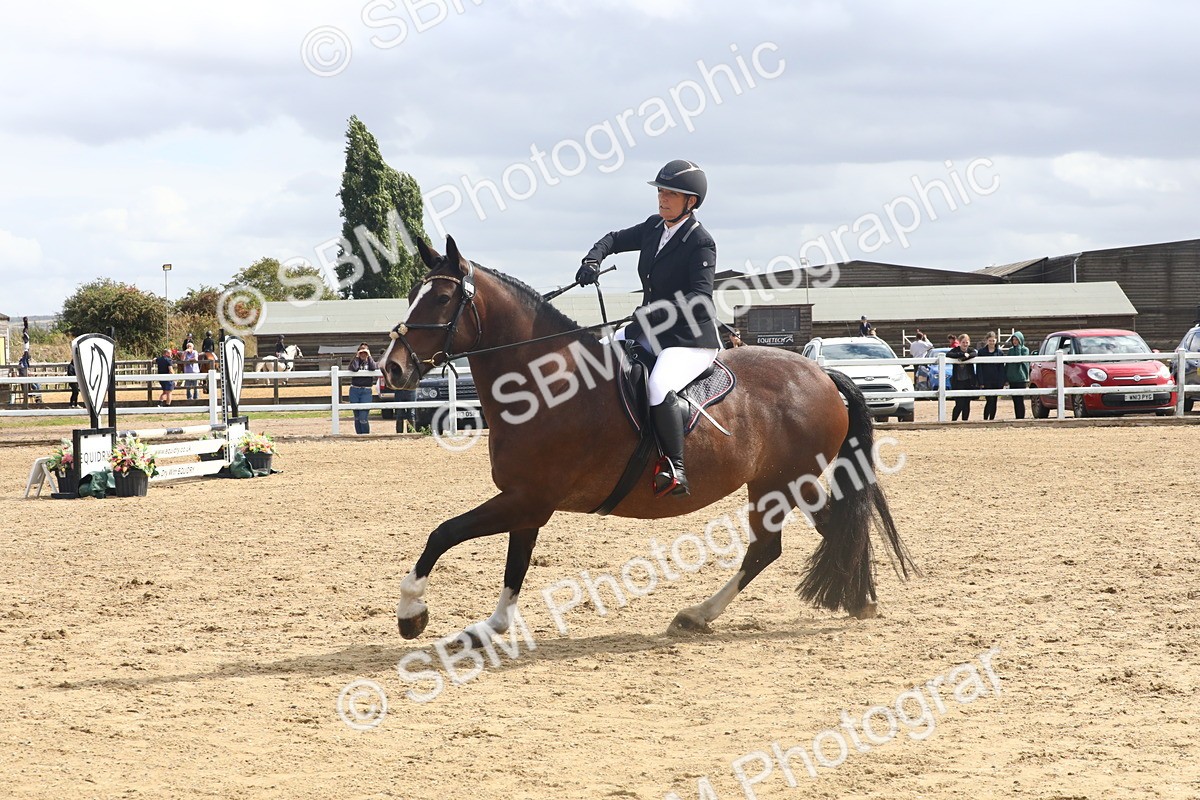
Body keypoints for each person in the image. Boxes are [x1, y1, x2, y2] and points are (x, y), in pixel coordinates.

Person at [576, 159, 718, 497]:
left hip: (688, 340)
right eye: (661, 192)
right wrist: (593, 259)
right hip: (649, 329)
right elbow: (613, 239)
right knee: (593, 359)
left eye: (671, 194)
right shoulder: (654, 227)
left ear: (691, 201)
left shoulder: (700, 242)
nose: (662, 198)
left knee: (658, 386)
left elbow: (700, 298)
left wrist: (654, 313)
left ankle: (675, 468)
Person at [975, 332, 1006, 420]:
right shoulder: (981, 352)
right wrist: (980, 381)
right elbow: (979, 368)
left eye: (993, 340)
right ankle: (985, 418)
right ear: (987, 341)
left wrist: (1002, 381)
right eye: (990, 340)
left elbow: (1001, 369)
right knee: (989, 400)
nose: (992, 342)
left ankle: (992, 418)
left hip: (996, 380)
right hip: (986, 380)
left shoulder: (1000, 353)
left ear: (996, 341)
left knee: (994, 400)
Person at [946, 334, 977, 421]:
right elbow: (949, 354)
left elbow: (974, 353)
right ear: (959, 343)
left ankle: (965, 421)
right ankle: (954, 420)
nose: (965, 344)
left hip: (968, 381)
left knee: (967, 403)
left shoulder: (970, 350)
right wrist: (962, 354)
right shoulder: (955, 350)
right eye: (963, 342)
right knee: (959, 403)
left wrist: (965, 358)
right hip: (958, 381)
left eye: (967, 342)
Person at [348, 343, 377, 435]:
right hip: (354, 390)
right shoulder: (354, 361)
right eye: (361, 352)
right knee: (357, 417)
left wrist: (369, 356)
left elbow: (374, 368)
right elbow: (354, 368)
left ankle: (366, 435)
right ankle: (359, 435)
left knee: (363, 418)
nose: (363, 354)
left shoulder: (370, 362)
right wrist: (357, 357)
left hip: (366, 391)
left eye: (365, 352)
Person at [1005, 331, 1031, 419]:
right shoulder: (1010, 351)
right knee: (1015, 400)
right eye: (1013, 340)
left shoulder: (1025, 350)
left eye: (1017, 339)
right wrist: (1006, 377)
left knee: (1020, 400)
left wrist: (1018, 348)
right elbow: (1007, 364)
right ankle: (1017, 417)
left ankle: (1021, 418)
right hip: (1012, 378)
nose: (1015, 341)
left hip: (1021, 378)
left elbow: (1020, 361)